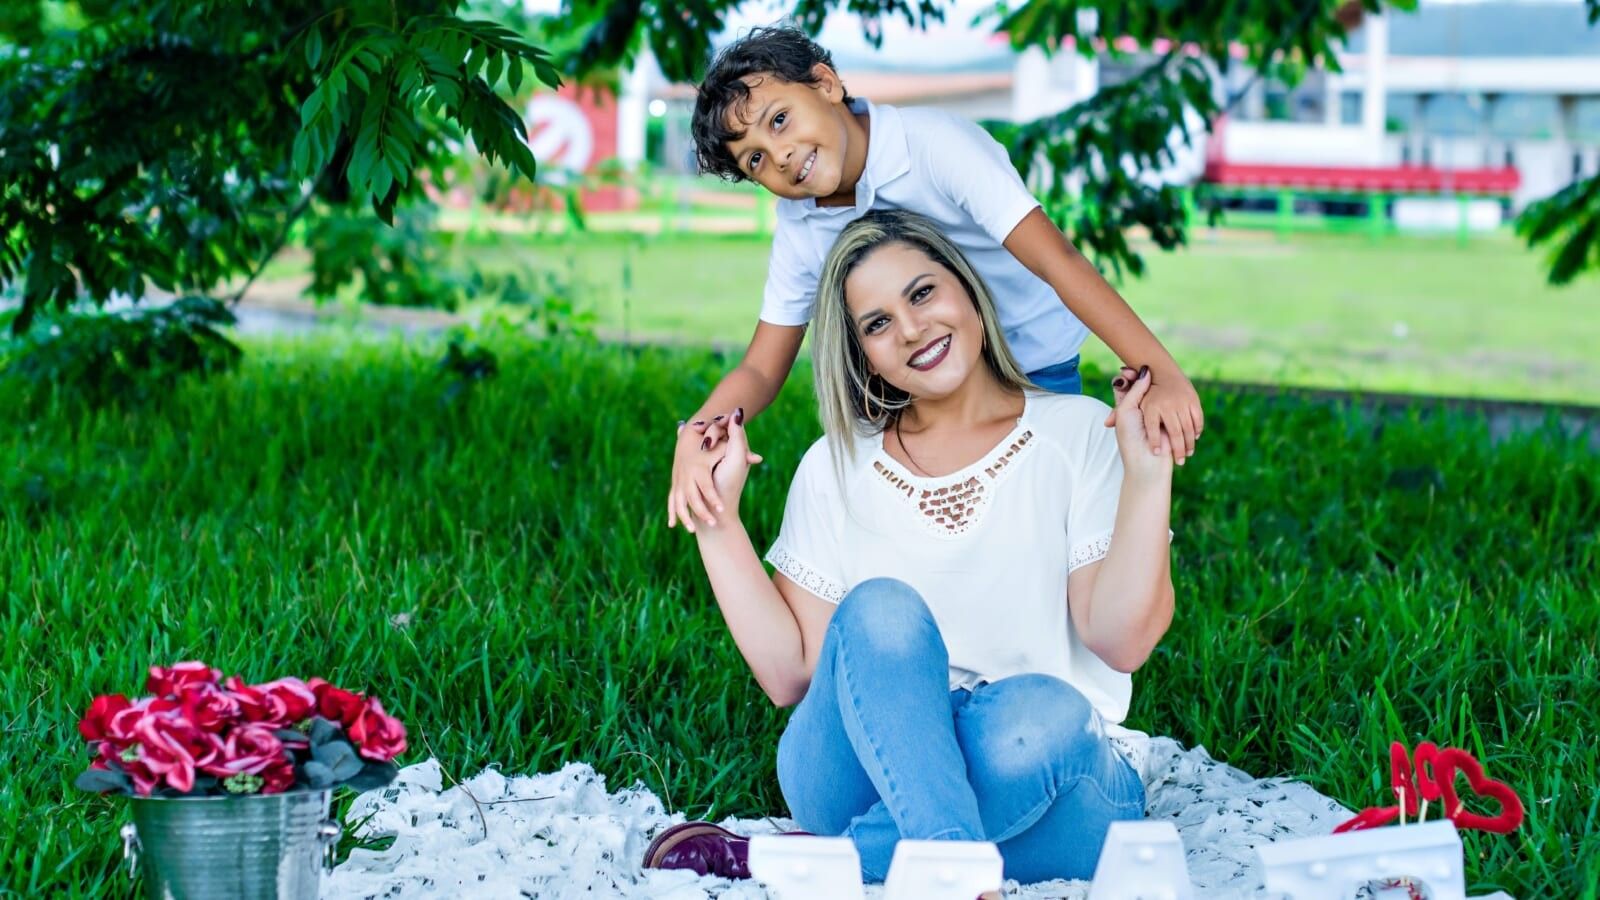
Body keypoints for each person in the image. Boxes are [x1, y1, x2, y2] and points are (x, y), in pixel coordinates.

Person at [644, 210, 1175, 885]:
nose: (912, 329)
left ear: (968, 288)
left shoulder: (1080, 436)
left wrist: (1149, 473)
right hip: (865, 773)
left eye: (922, 293)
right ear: (862, 354)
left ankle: (804, 860)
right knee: (881, 608)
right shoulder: (836, 466)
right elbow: (790, 675)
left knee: (1046, 714)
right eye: (877, 323)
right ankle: (951, 861)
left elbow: (1122, 641)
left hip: (1052, 780)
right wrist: (717, 519)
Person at [667, 26, 1201, 537]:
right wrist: (698, 430)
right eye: (755, 158)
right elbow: (762, 365)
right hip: (910, 390)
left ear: (825, 84)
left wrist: (1162, 373)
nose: (778, 155)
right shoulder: (802, 224)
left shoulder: (934, 145)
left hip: (1032, 368)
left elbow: (1055, 260)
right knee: (920, 527)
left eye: (779, 119)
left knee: (1047, 519)